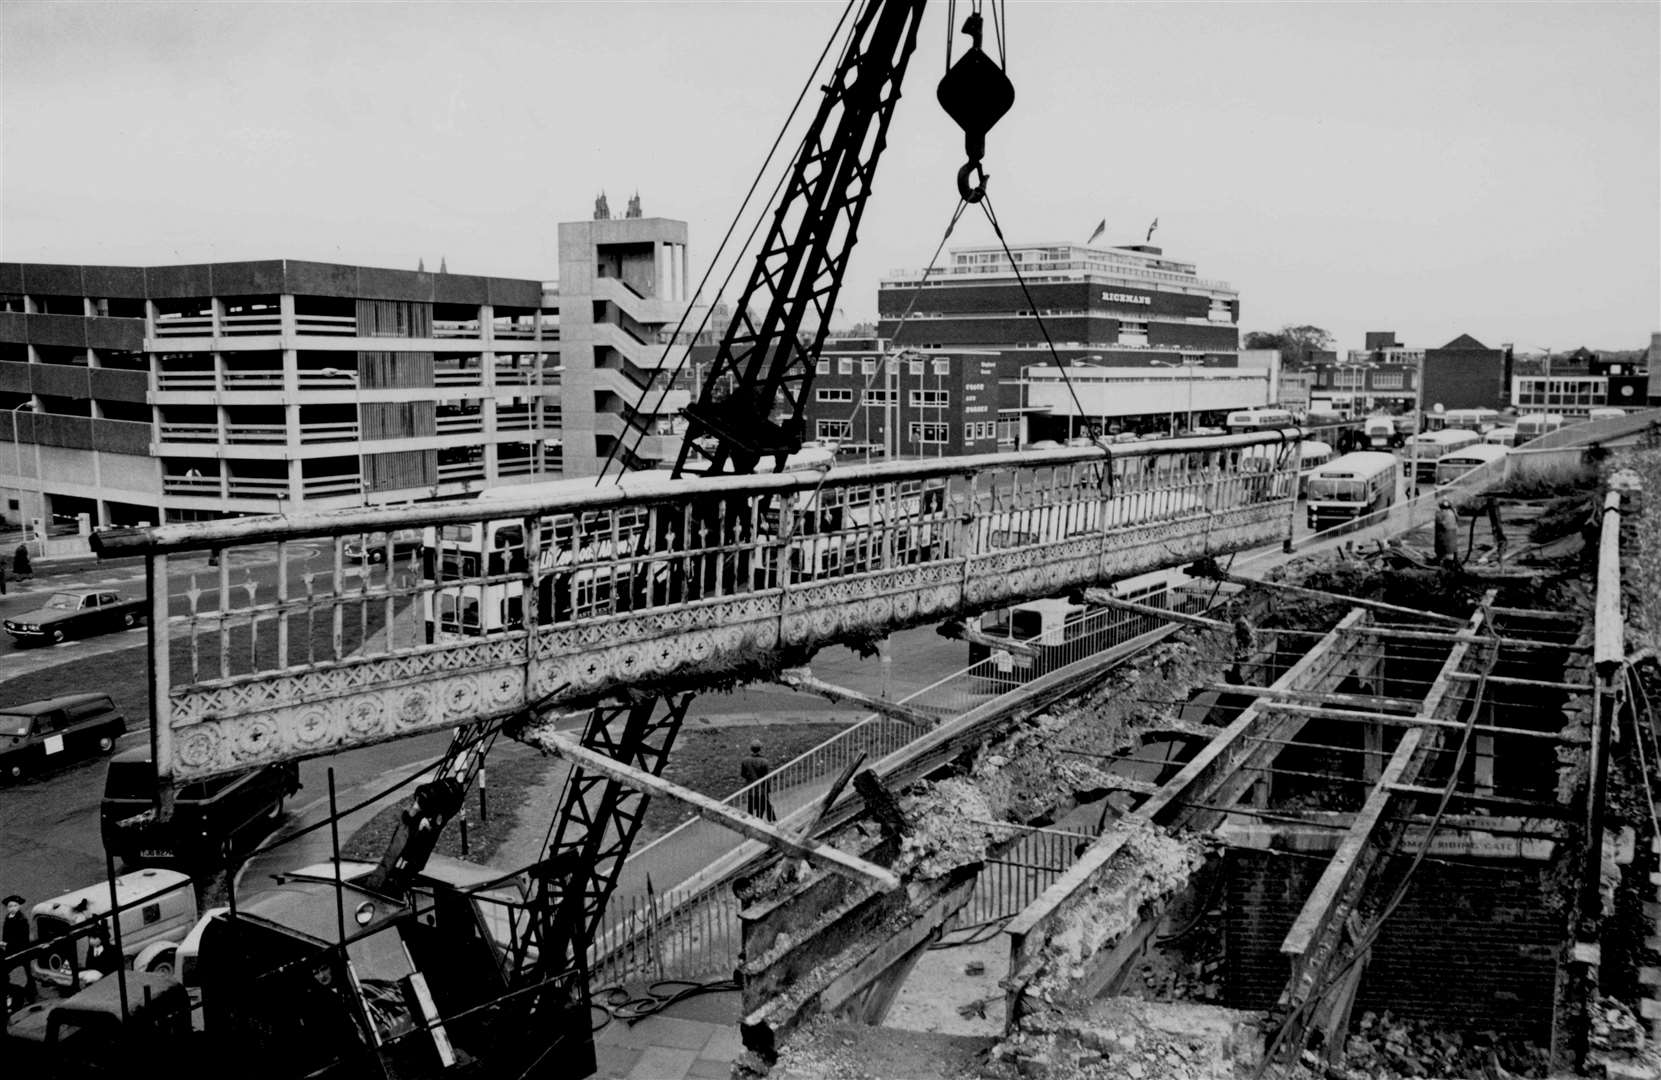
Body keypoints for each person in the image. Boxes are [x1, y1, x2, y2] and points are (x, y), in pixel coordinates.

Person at [3, 893, 32, 1008]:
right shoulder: (8, 918)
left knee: (26, 971)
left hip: (20, 948)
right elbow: (5, 933)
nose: (12, 908)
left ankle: (29, 994)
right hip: (10, 948)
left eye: (15, 905)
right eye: (10, 906)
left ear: (19, 907)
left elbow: (23, 936)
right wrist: (4, 943)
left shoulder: (21, 919)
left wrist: (13, 945)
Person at [740, 740, 777, 823]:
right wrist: (767, 789)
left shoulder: (745, 760)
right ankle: (767, 821)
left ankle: (750, 823)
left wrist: (750, 779)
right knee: (762, 807)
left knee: (750, 807)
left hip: (751, 788)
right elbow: (766, 777)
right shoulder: (764, 761)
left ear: (750, 749)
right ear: (760, 749)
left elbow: (743, 774)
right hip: (762, 789)